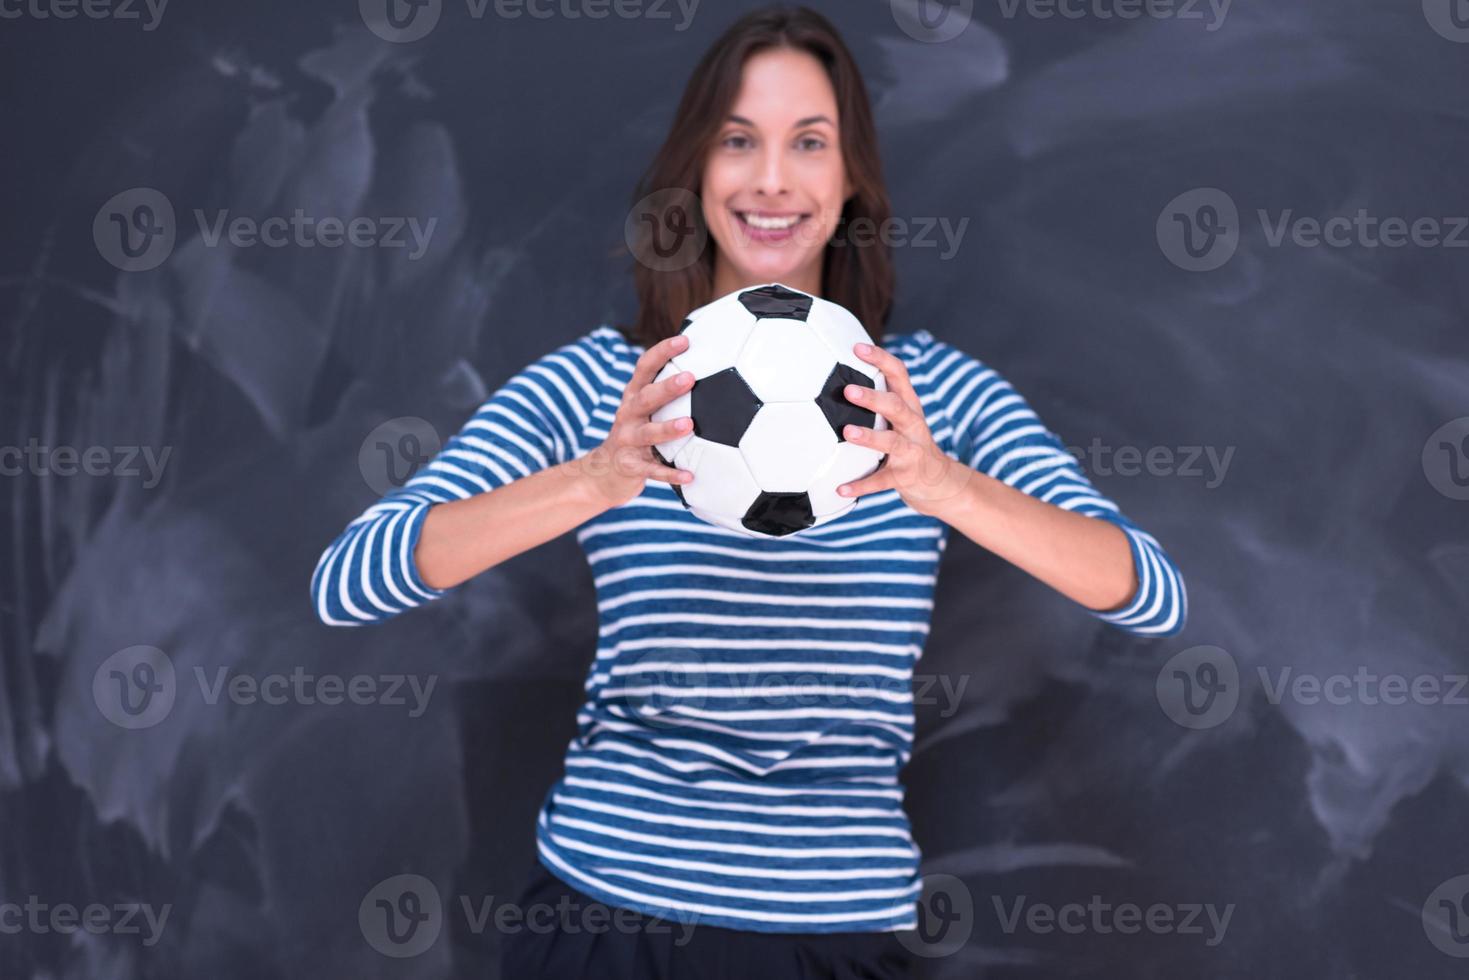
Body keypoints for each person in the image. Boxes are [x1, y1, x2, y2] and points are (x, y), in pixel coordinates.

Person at [309, 6, 1187, 978]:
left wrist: (945, 486)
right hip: (607, 924)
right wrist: (595, 479)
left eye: (808, 142)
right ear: (695, 170)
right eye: (738, 141)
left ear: (850, 177)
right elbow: (349, 581)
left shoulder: (932, 395)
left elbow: (1148, 592)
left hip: (837, 935)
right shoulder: (605, 386)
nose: (772, 178)